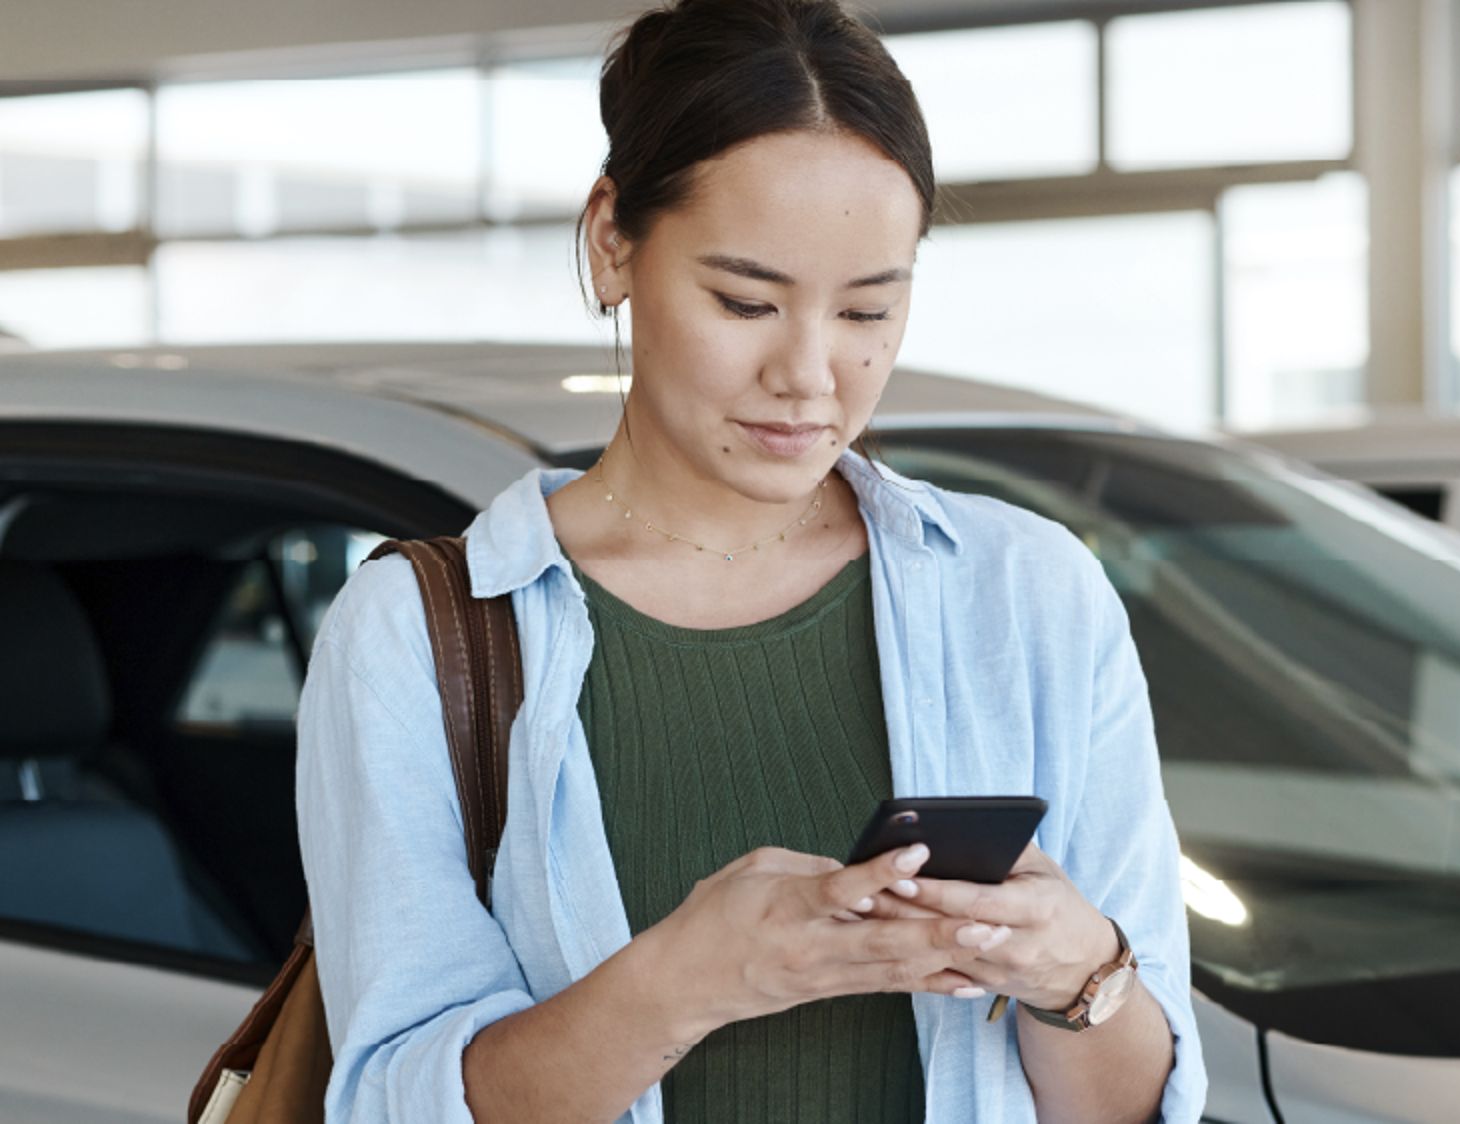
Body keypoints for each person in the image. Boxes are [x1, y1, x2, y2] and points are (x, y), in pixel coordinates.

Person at [294, 0, 1208, 1121]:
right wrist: (688, 980)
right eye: (745, 300)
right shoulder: (415, 634)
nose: (812, 374)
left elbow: (1127, 1106)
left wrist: (1077, 970)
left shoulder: (1027, 594)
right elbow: (395, 1099)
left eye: (870, 308)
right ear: (612, 241)